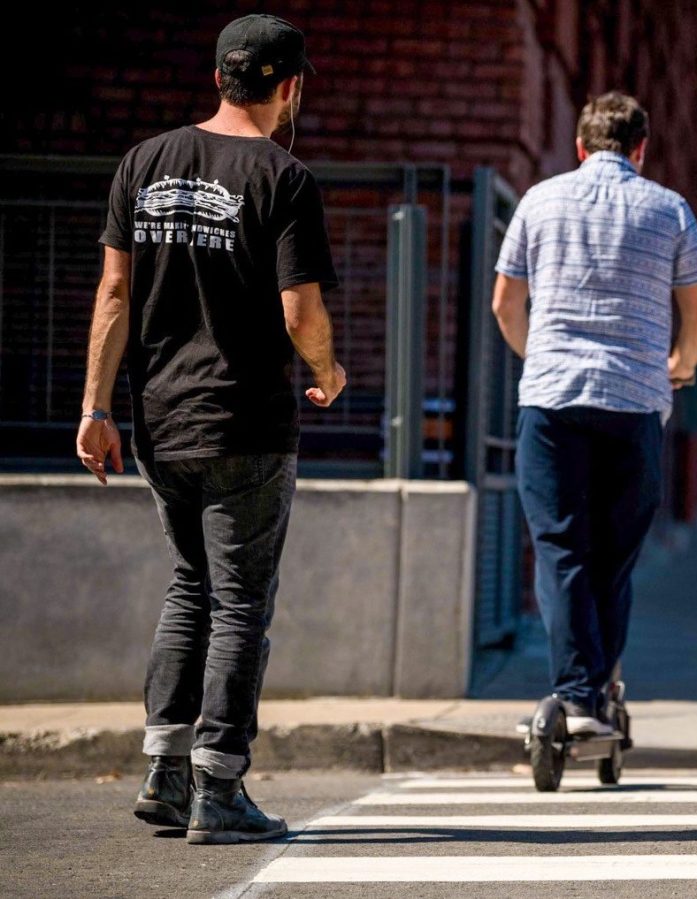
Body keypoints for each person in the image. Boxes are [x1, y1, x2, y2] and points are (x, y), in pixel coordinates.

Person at [77, 14, 343, 843]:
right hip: (246, 423)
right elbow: (299, 309)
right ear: (289, 87)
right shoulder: (283, 176)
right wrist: (328, 372)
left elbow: (114, 297)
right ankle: (219, 786)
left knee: (191, 585)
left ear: (218, 78)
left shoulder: (142, 162)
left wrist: (95, 407)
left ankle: (162, 772)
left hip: (160, 420)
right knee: (238, 604)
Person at [492, 92, 697, 736]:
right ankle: (597, 689)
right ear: (641, 150)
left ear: (581, 147)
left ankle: (576, 694)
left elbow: (507, 303)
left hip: (552, 401)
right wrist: (680, 363)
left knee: (560, 549)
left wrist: (540, 356)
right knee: (614, 557)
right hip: (635, 401)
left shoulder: (539, 199)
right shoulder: (669, 209)